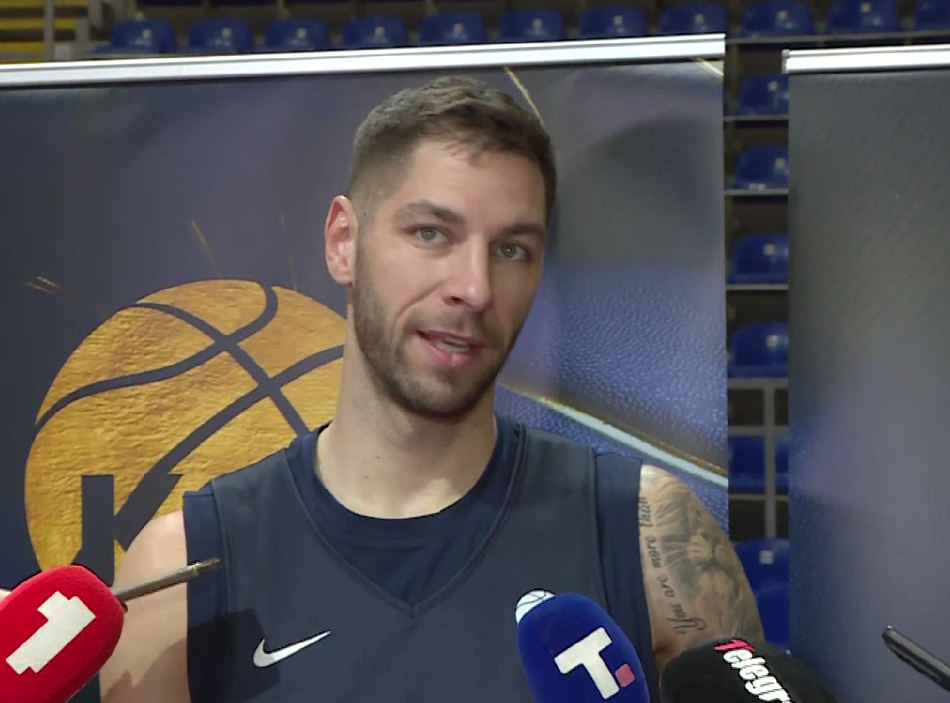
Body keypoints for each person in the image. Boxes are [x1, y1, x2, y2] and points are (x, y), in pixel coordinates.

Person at [100, 75, 763, 703]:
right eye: (431, 233)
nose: (474, 287)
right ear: (343, 242)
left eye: (512, 249)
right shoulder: (183, 570)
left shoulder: (649, 538)